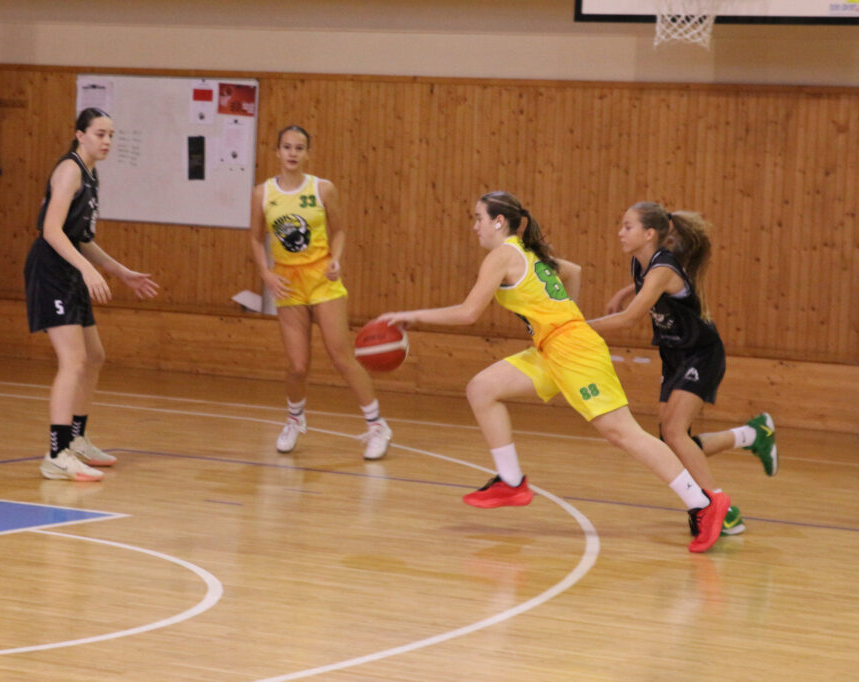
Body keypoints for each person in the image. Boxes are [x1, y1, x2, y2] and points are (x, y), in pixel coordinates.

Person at [377, 191, 729, 553]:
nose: (475, 226)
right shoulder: (526, 252)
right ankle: (511, 481)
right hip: (551, 348)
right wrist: (564, 316)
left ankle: (704, 503)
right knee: (482, 388)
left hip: (573, 350)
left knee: (622, 433)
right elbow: (573, 271)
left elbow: (469, 313)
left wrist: (410, 316)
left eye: (478, 218)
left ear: (499, 221)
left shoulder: (503, 255)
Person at [586, 201, 777, 537]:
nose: (620, 233)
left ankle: (720, 509)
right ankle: (752, 434)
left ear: (649, 233)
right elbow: (651, 286)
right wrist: (627, 291)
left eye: (628, 226)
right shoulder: (642, 262)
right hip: (674, 354)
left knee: (674, 433)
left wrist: (575, 328)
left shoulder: (662, 268)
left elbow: (630, 319)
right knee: (673, 439)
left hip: (701, 354)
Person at [24, 108, 159, 481]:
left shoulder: (91, 174)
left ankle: (77, 439)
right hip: (51, 271)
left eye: (111, 135)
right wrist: (86, 270)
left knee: (94, 356)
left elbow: (81, 239)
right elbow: (52, 230)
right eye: (100, 134)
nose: (107, 141)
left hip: (69, 270)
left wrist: (120, 271)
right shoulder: (69, 170)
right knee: (73, 361)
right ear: (80, 135)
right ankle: (57, 454)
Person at [249, 125, 392, 460]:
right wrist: (266, 273)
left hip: (322, 279)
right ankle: (294, 420)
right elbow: (255, 237)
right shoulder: (262, 193)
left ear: (307, 154)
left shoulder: (322, 189)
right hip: (287, 283)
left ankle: (377, 426)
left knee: (341, 356)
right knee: (298, 366)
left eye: (299, 148)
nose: (292, 153)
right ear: (277, 152)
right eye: (287, 147)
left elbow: (339, 230)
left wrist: (336, 259)